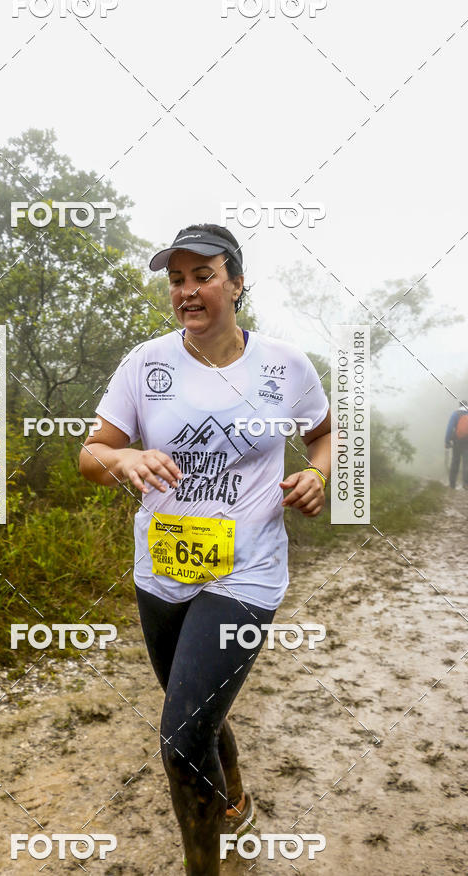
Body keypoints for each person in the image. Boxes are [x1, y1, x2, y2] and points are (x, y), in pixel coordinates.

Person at [79, 223, 331, 875]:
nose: (187, 291)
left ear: (237, 282)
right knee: (194, 711)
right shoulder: (145, 364)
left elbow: (326, 432)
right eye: (177, 280)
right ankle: (236, 798)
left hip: (245, 576)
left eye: (203, 276)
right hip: (161, 573)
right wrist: (124, 458)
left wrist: (319, 473)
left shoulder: (284, 366)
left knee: (181, 737)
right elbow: (90, 454)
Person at [445, 400, 468, 489]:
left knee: (455, 461)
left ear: (459, 406)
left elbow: (450, 428)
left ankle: (452, 484)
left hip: (457, 441)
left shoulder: (456, 414)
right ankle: (466, 484)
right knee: (467, 463)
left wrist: (447, 441)